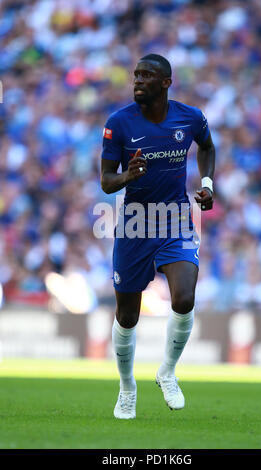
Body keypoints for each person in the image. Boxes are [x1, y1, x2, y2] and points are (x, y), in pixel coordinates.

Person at [100, 53, 215, 419]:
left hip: (175, 219)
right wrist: (128, 177)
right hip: (135, 223)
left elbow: (207, 147)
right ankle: (126, 387)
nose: (137, 80)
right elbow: (106, 182)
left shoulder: (190, 118)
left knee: (184, 297)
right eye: (135, 74)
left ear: (165, 82)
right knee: (127, 315)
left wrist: (208, 184)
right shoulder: (118, 123)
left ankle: (167, 371)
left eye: (146, 75)